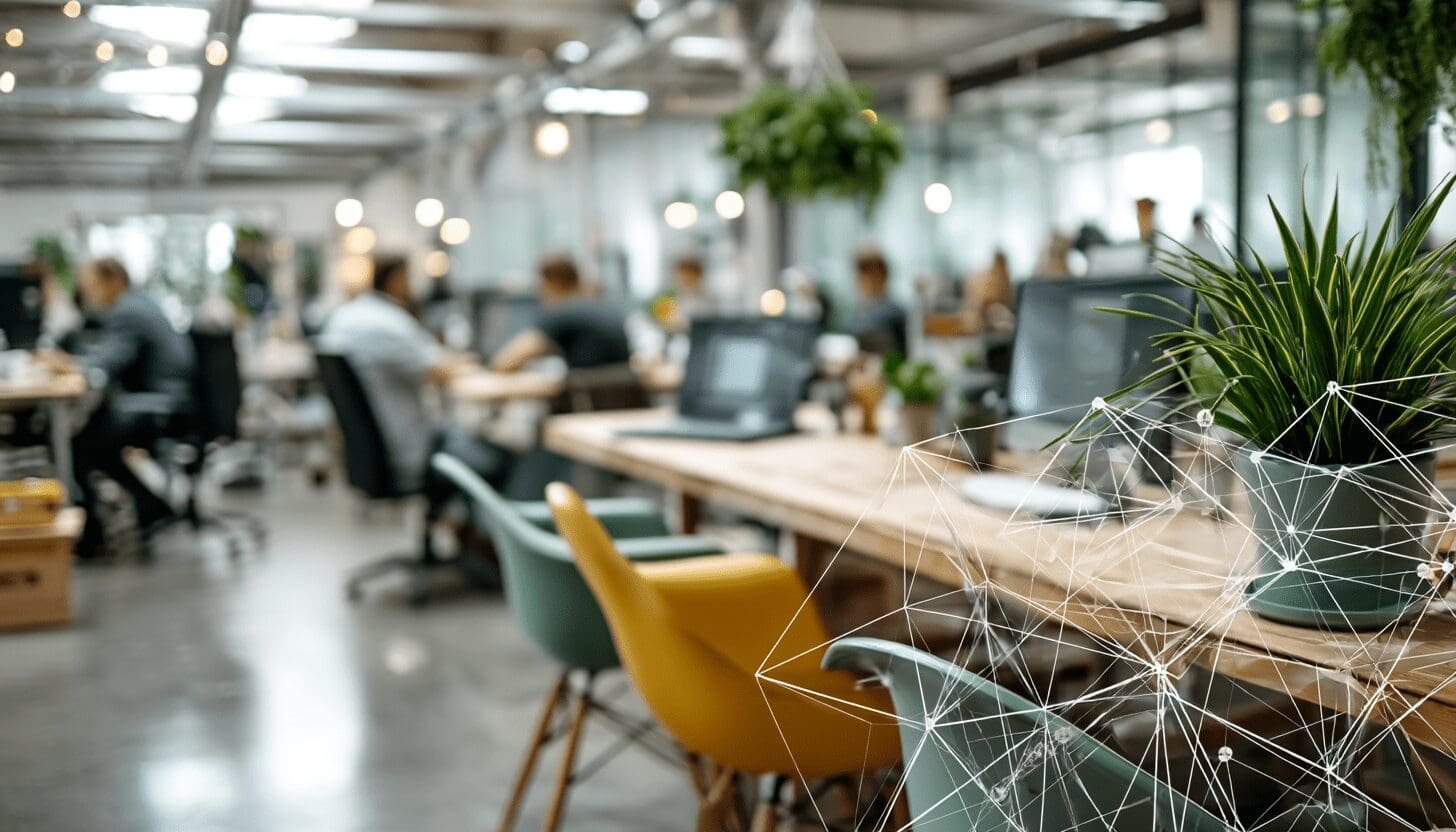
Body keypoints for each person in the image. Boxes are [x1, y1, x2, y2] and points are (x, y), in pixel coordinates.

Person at [318, 255, 496, 495]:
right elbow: (440, 371)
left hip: (374, 452)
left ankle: (461, 525)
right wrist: (482, 364)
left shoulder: (344, 317)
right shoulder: (388, 323)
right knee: (500, 457)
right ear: (395, 279)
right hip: (411, 451)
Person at [65, 257, 196, 558]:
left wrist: (69, 365)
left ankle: (91, 532)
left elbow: (106, 364)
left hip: (162, 404)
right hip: (171, 400)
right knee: (93, 436)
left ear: (113, 281)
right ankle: (148, 504)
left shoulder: (127, 311)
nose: (90, 296)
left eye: (93, 286)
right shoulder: (140, 304)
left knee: (80, 440)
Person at [491, 254, 631, 372]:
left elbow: (505, 362)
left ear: (553, 282)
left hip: (585, 401)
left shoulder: (562, 312)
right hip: (627, 400)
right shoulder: (603, 305)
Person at [846, 247, 907, 356]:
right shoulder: (859, 311)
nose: (862, 280)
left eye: (869, 273)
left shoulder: (894, 311)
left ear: (883, 275)